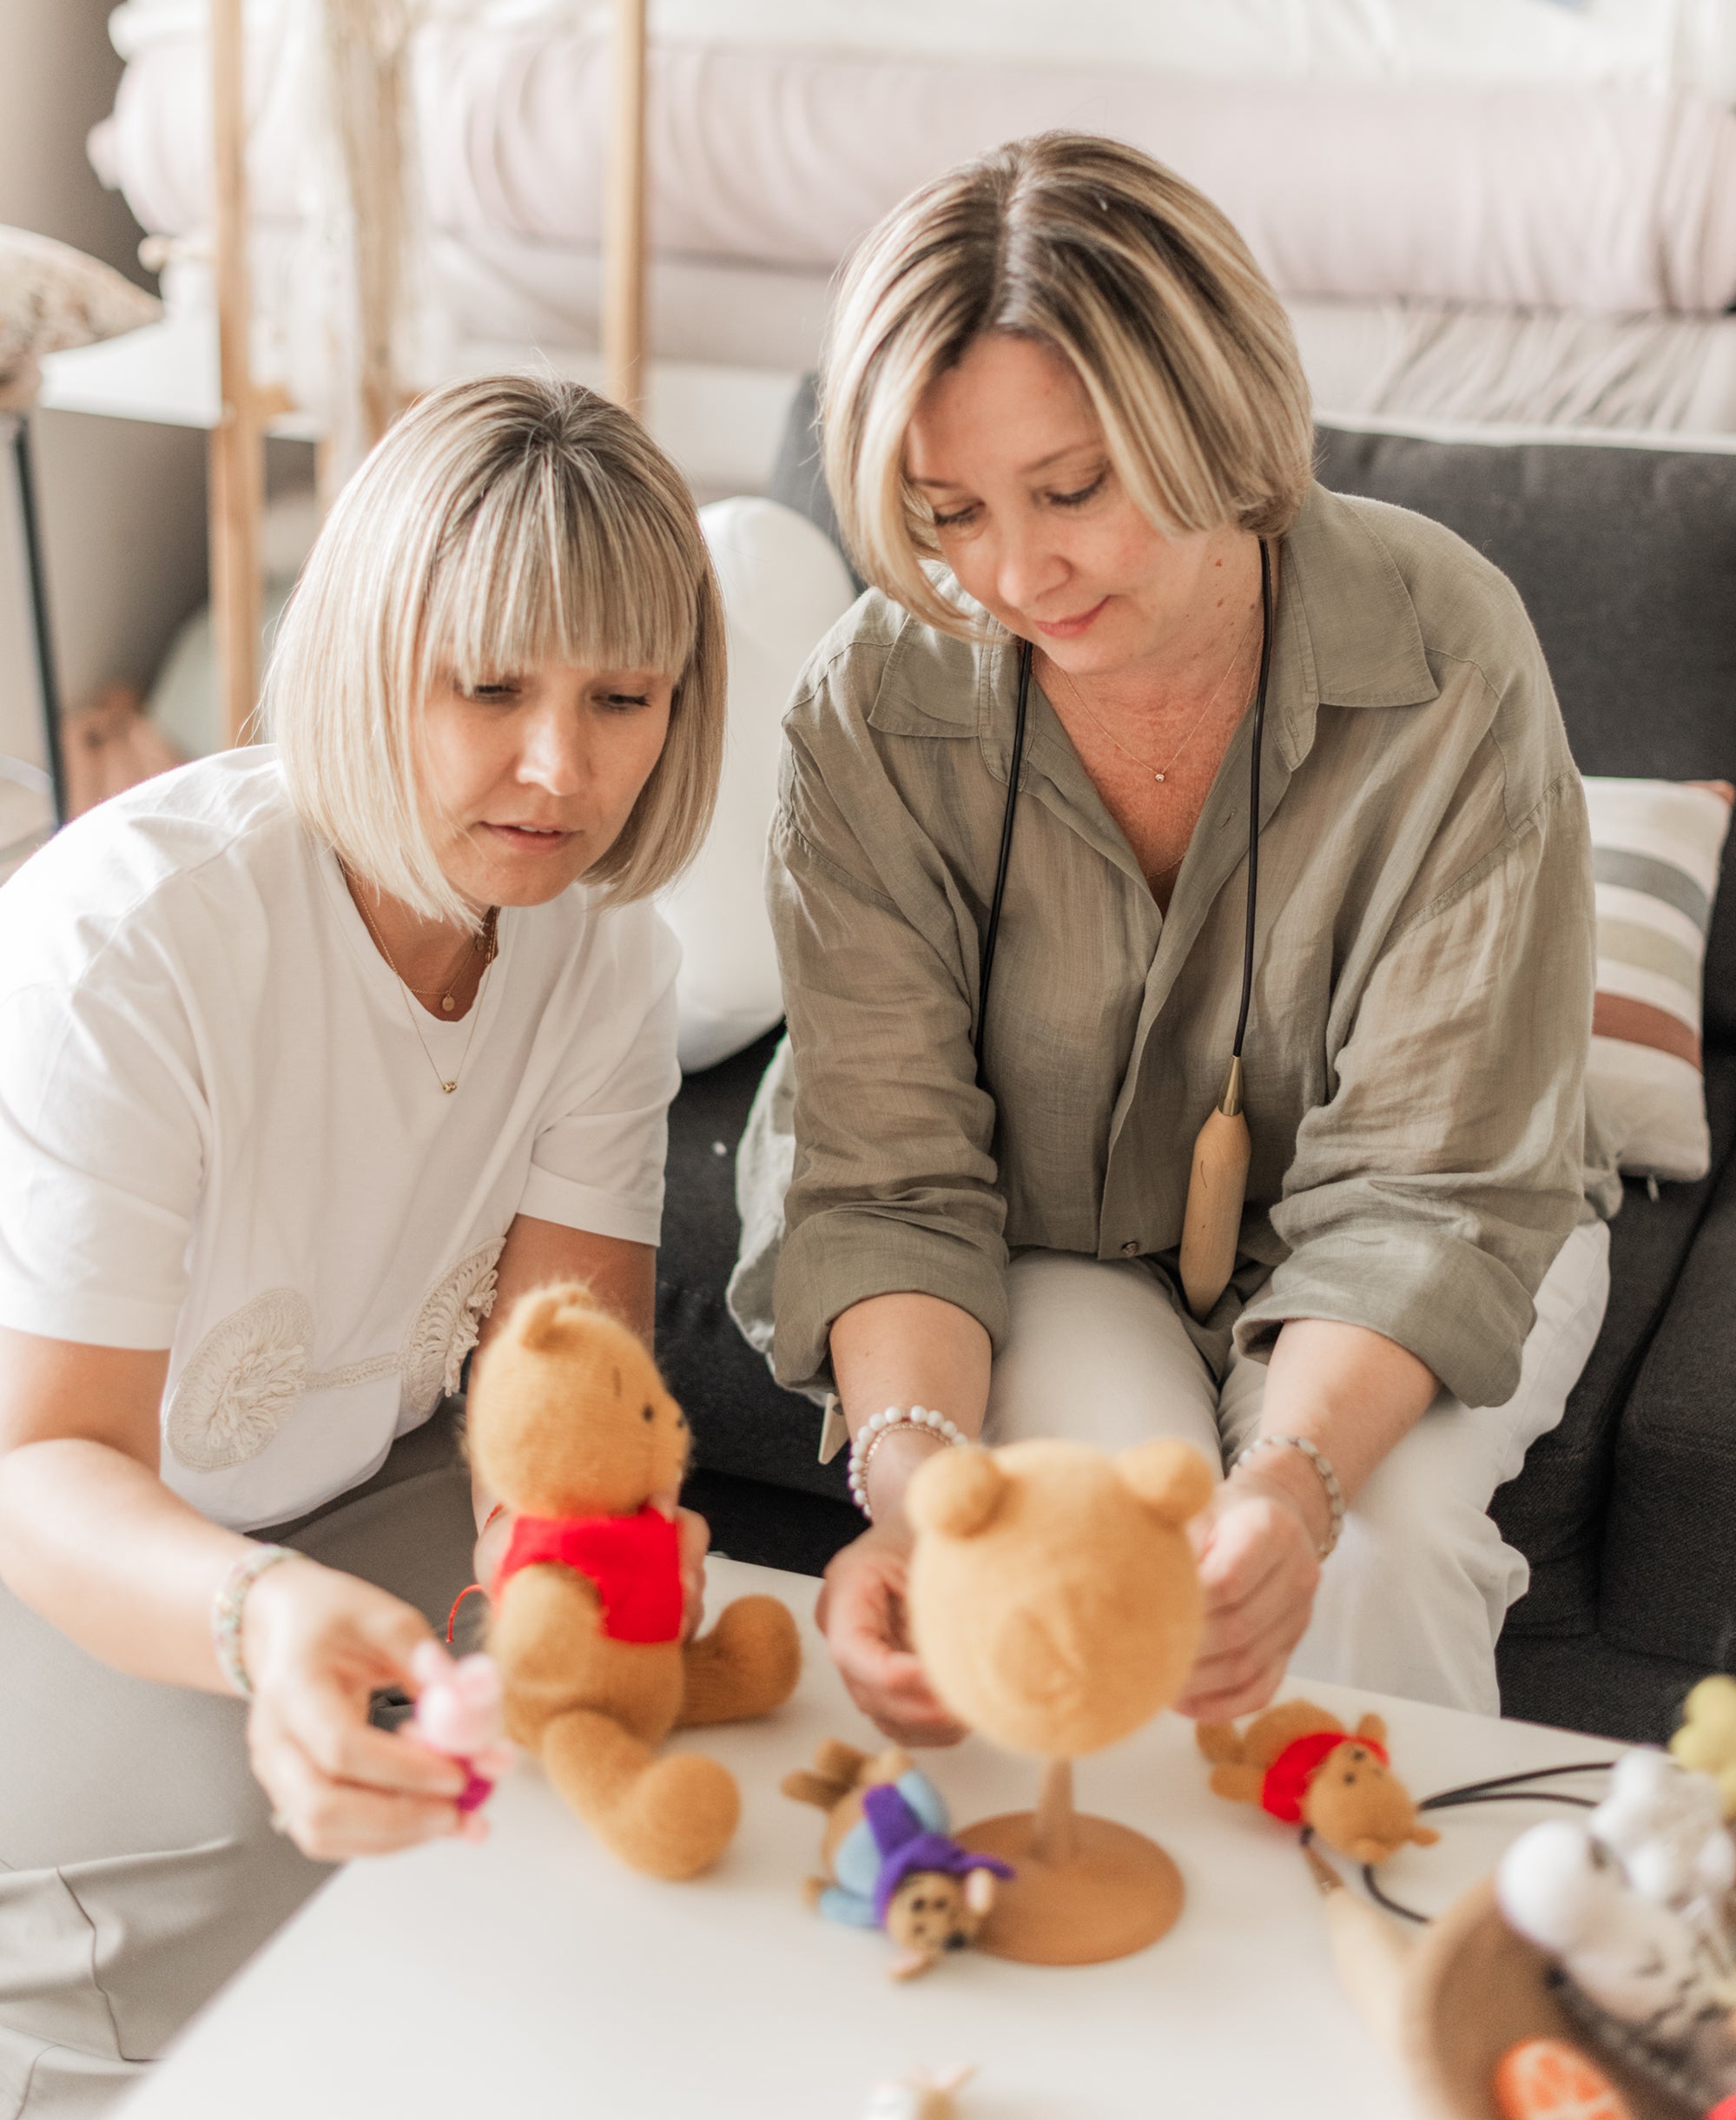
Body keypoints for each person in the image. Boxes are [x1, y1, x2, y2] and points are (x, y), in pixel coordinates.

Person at [731, 130, 1618, 1741]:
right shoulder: (872, 706)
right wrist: (912, 1473)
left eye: (1074, 488)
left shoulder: (1448, 651)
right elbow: (889, 1171)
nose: (1019, 571)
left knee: (1376, 1551)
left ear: (1212, 413)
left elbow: (1439, 1178)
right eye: (952, 513)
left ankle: (1387, 1966)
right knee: (1073, 1552)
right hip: (1051, 1235)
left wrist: (1295, 1476)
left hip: (1439, 1222)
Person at [0, 373, 723, 2110]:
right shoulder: (133, 951)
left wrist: (582, 1590)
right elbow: (45, 1461)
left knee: (578, 1896)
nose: (561, 767)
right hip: (70, 1550)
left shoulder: (601, 960)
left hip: (364, 1516)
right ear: (367, 654)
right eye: (488, 688)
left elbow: (553, 1419)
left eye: (620, 697)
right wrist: (265, 1619)